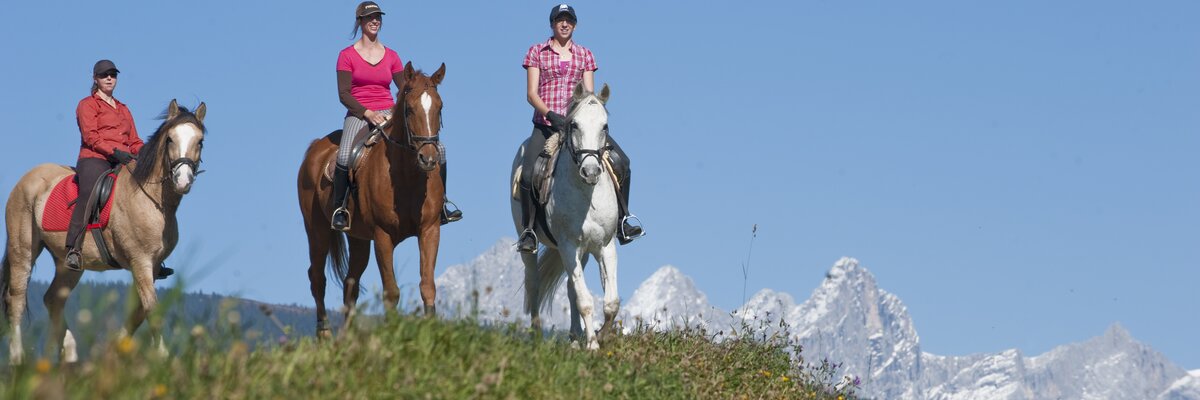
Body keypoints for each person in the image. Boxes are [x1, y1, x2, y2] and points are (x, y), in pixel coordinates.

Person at [517, 4, 644, 254]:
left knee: (623, 163)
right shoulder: (536, 52)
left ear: (574, 25)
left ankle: (622, 221)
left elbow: (588, 95)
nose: (564, 24)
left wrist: (586, 117)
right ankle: (529, 230)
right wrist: (550, 115)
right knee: (529, 172)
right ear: (552, 24)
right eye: (560, 20)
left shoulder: (585, 55)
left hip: (580, 128)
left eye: (569, 21)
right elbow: (531, 93)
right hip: (546, 126)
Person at [332, 1, 461, 231]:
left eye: (378, 17)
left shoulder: (391, 56)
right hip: (360, 113)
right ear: (360, 21)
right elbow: (343, 94)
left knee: (439, 149)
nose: (375, 21)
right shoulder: (347, 56)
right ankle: (340, 209)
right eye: (370, 17)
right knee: (344, 154)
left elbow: (405, 89)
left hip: (388, 111)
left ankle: (441, 204)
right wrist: (367, 113)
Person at [65, 60, 144, 272]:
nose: (109, 78)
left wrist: (146, 152)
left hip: (124, 158)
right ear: (95, 79)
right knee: (90, 191)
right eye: (104, 75)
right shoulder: (87, 104)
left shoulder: (124, 109)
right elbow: (91, 137)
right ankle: (74, 247)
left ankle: (149, 249)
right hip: (95, 157)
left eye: (113, 74)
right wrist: (114, 152)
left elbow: (134, 140)